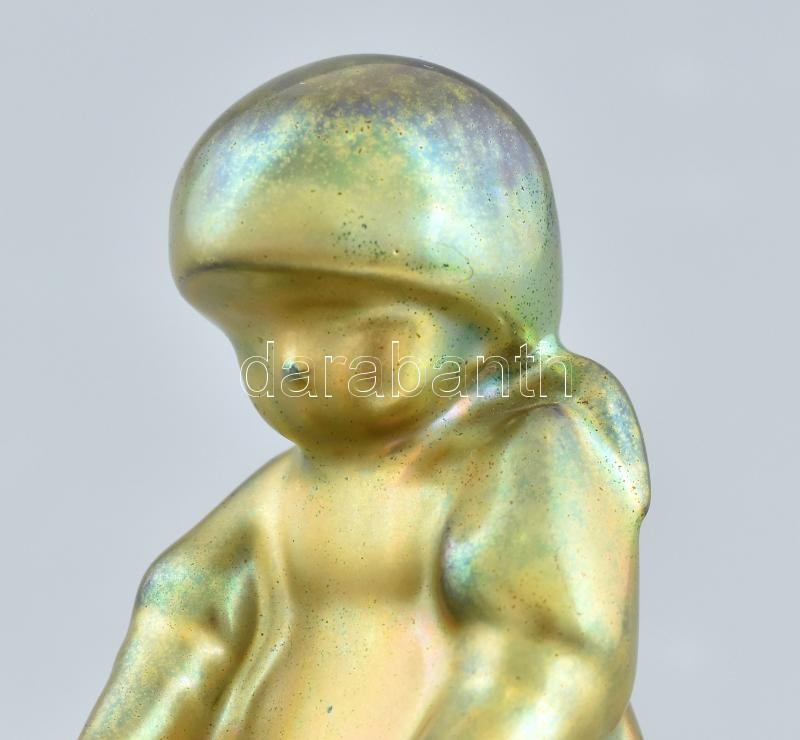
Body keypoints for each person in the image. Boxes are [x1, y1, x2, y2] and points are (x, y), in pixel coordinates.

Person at [82, 55, 649, 739]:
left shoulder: (529, 458)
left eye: (357, 330)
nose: (291, 366)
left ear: (486, 326)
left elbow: (549, 655)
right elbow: (181, 627)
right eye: (255, 338)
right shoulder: (283, 501)